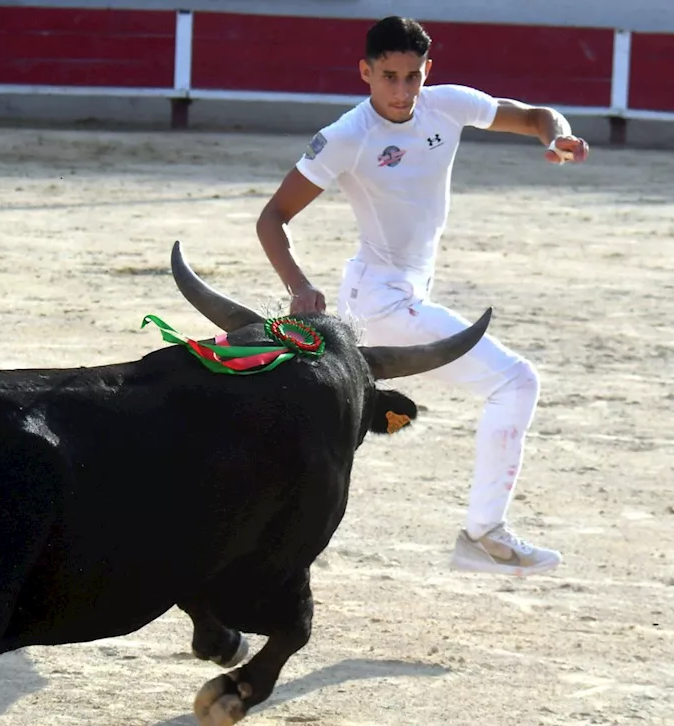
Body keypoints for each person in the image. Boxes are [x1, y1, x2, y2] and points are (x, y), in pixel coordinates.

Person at [254, 16, 589, 577]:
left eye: (413, 76)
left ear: (428, 71)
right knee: (516, 381)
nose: (402, 91)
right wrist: (299, 285)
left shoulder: (448, 105)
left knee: (326, 423)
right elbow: (273, 218)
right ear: (365, 72)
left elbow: (534, 115)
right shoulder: (346, 137)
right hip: (379, 302)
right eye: (389, 76)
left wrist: (555, 136)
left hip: (404, 293)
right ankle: (484, 535)